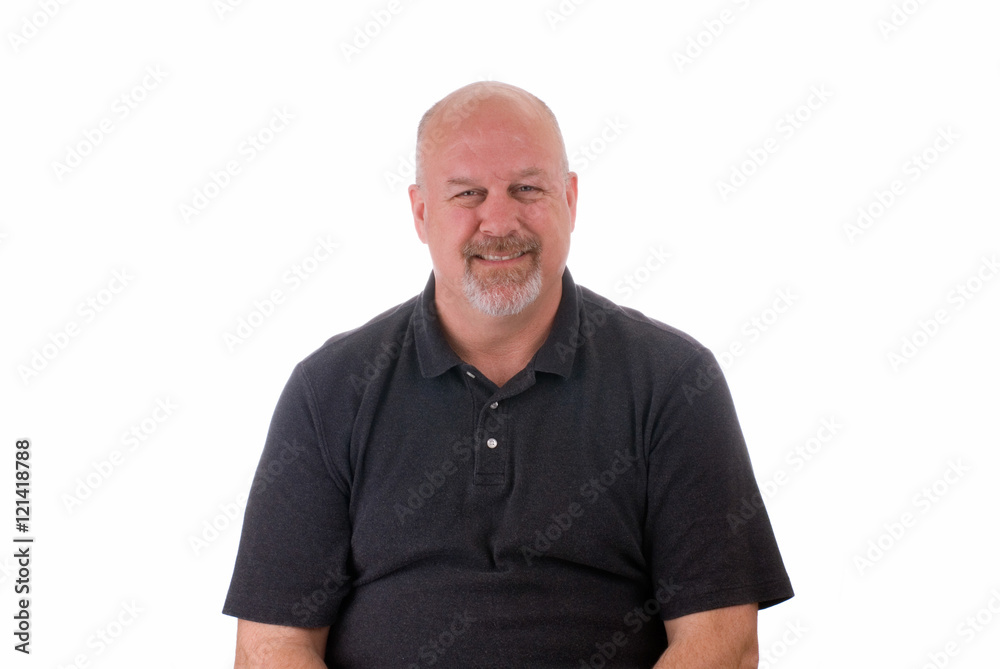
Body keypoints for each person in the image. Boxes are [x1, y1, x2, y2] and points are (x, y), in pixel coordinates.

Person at [223, 81, 793, 668]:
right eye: (468, 193)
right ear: (421, 213)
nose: (498, 221)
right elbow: (271, 647)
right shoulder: (329, 390)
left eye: (527, 189)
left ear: (570, 199)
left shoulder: (673, 382)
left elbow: (722, 642)